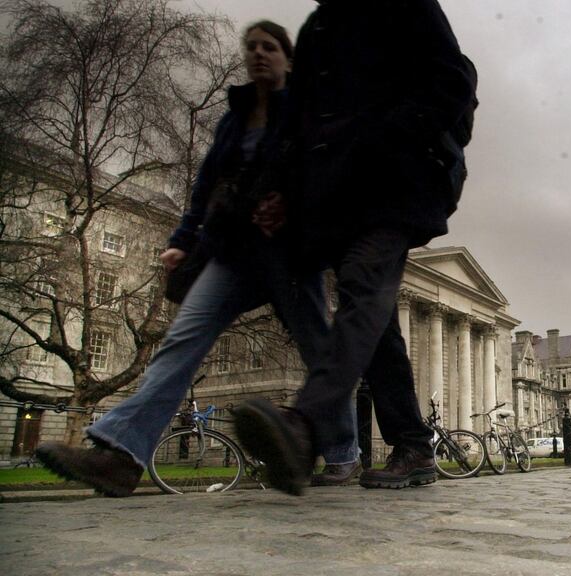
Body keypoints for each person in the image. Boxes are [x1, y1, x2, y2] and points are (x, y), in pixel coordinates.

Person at [35, 22, 359, 495]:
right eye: (251, 48)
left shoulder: (308, 110)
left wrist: (295, 204)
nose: (258, 54)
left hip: (288, 255)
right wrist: (182, 240)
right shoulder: (236, 118)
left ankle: (343, 453)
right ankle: (121, 456)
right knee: (180, 343)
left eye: (269, 47)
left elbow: (328, 171)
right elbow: (206, 188)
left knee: (320, 354)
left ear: (288, 59)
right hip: (231, 252)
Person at [231, 0, 477, 494]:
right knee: (376, 320)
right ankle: (412, 444)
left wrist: (394, 138)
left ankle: (305, 425)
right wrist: (276, 187)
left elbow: (454, 83)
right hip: (338, 194)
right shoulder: (318, 27)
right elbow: (296, 123)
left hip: (398, 181)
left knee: (364, 282)